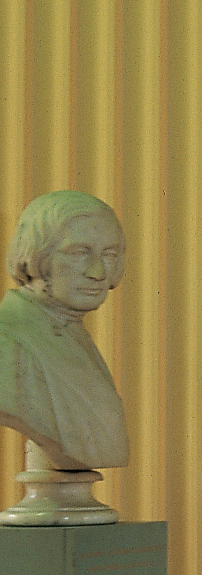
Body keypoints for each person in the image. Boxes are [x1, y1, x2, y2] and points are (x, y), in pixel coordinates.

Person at [0, 191, 128, 521]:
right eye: (78, 252)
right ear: (34, 257)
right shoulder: (8, 341)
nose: (99, 271)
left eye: (110, 254)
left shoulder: (75, 334)